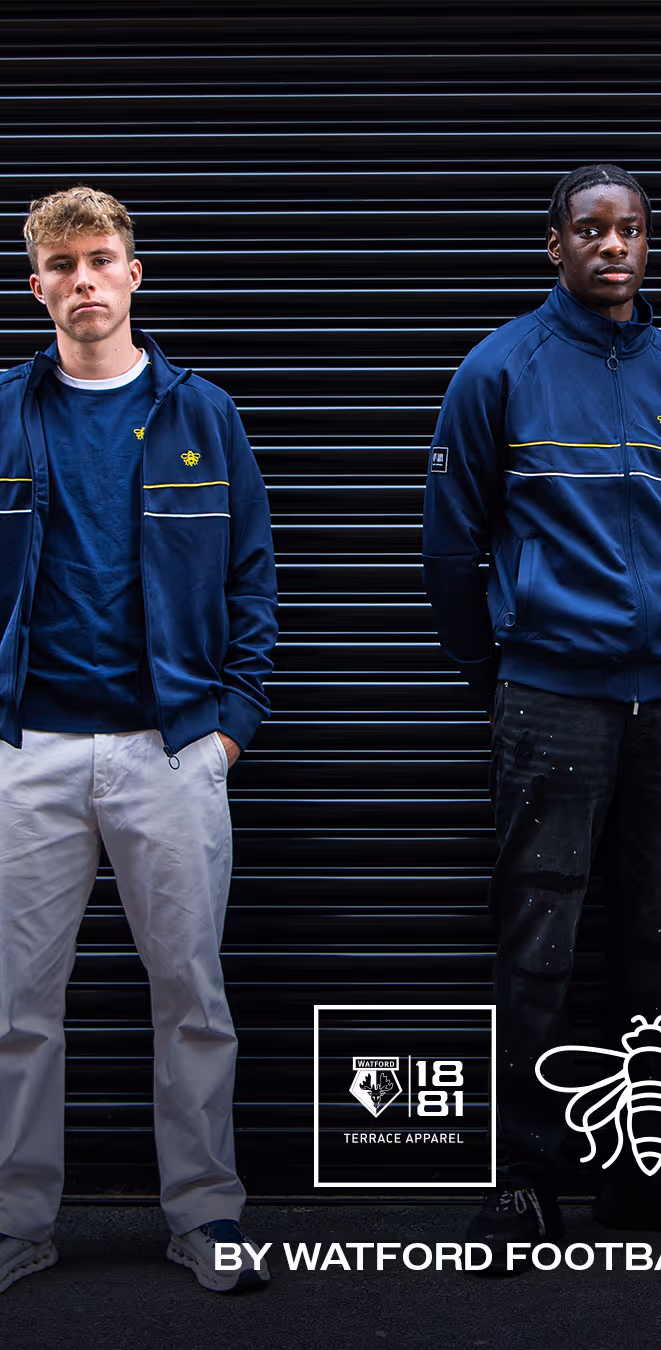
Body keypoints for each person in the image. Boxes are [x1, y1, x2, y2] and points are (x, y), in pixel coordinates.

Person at [422, 163, 661, 1270]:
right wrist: (509, 671)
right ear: (555, 245)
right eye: (589, 229)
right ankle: (525, 1177)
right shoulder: (500, 369)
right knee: (541, 940)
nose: (610, 245)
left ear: (647, 246)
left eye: (628, 229)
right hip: (553, 695)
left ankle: (650, 1171)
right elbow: (449, 544)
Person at [0, 186, 278, 1295]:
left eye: (100, 259)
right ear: (36, 287)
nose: (82, 281)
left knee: (193, 1000)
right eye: (60, 266)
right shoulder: (7, 413)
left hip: (171, 751)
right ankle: (18, 1222)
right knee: (18, 1007)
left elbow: (253, 579)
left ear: (133, 275)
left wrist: (229, 733)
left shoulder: (202, 415)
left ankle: (204, 1217)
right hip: (31, 751)